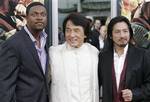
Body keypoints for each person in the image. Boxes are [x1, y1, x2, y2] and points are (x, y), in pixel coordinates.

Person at [0, 2, 50, 102]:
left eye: (43, 14)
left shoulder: (46, 42)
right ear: (26, 17)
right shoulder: (12, 44)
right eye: (34, 14)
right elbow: (5, 86)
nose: (39, 17)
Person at [49, 13, 99, 102]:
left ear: (85, 34)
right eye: (68, 30)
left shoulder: (94, 53)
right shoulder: (54, 53)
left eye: (76, 30)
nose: (72, 35)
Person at [98, 16, 150, 102]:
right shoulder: (103, 57)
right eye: (117, 32)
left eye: (125, 31)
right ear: (110, 35)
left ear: (130, 33)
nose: (122, 35)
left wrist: (134, 94)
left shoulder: (142, 55)